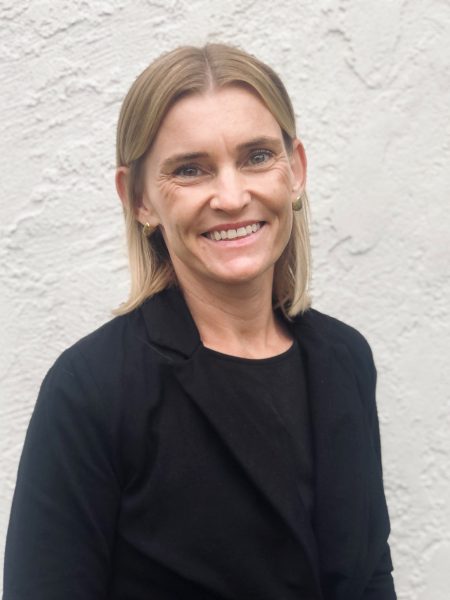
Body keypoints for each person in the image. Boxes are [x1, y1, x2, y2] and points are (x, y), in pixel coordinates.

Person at [3, 44, 396, 600]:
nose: (233, 197)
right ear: (137, 198)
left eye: (258, 156)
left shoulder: (346, 358)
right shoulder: (92, 389)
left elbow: (370, 576)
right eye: (191, 170)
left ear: (296, 170)